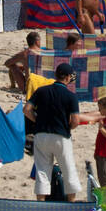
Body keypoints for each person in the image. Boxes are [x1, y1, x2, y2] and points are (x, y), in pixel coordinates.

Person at [23, 63, 82, 201]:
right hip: (61, 136)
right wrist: (69, 127)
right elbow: (75, 121)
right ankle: (71, 204)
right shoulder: (71, 96)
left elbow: (26, 109)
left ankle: (41, 205)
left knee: (42, 172)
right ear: (67, 77)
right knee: (68, 171)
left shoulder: (41, 91)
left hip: (41, 135)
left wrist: (37, 121)